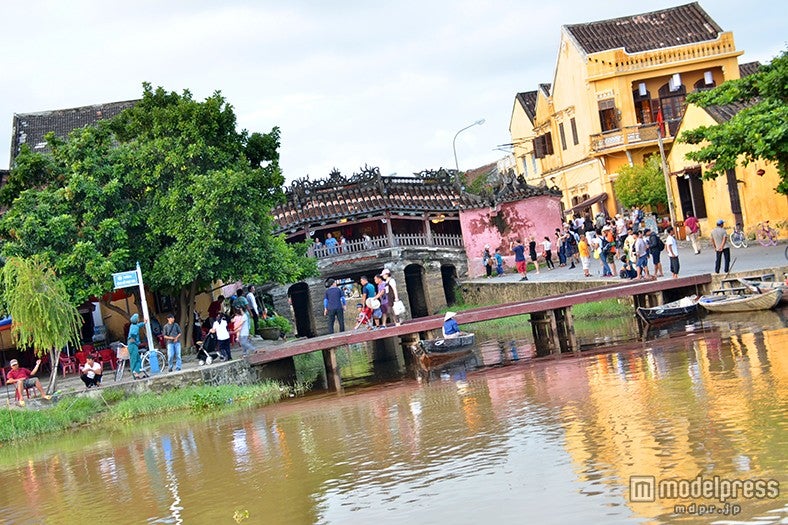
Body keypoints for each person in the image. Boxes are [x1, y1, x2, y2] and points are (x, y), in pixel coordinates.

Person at [127, 313, 147, 379]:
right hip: (133, 345)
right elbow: (133, 334)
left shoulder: (133, 325)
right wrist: (134, 338)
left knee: (138, 360)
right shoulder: (135, 327)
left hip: (132, 345)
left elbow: (139, 325)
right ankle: (135, 373)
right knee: (134, 360)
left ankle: (136, 372)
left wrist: (144, 323)